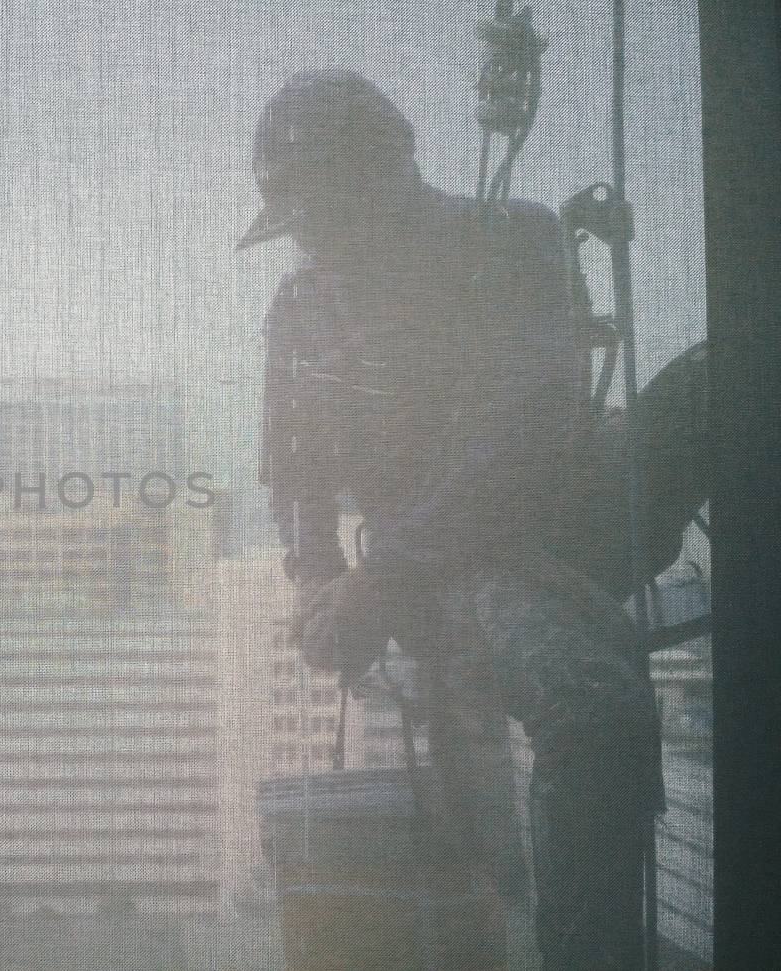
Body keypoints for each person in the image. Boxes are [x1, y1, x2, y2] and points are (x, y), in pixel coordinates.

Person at [247, 68, 664, 970]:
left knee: (592, 707)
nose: (315, 243)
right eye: (302, 225)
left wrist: (377, 577)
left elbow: (531, 425)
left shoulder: (511, 240)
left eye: (329, 214)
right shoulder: (301, 309)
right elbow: (298, 474)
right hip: (439, 571)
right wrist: (318, 580)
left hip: (531, 525)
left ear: (394, 174)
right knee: (581, 717)